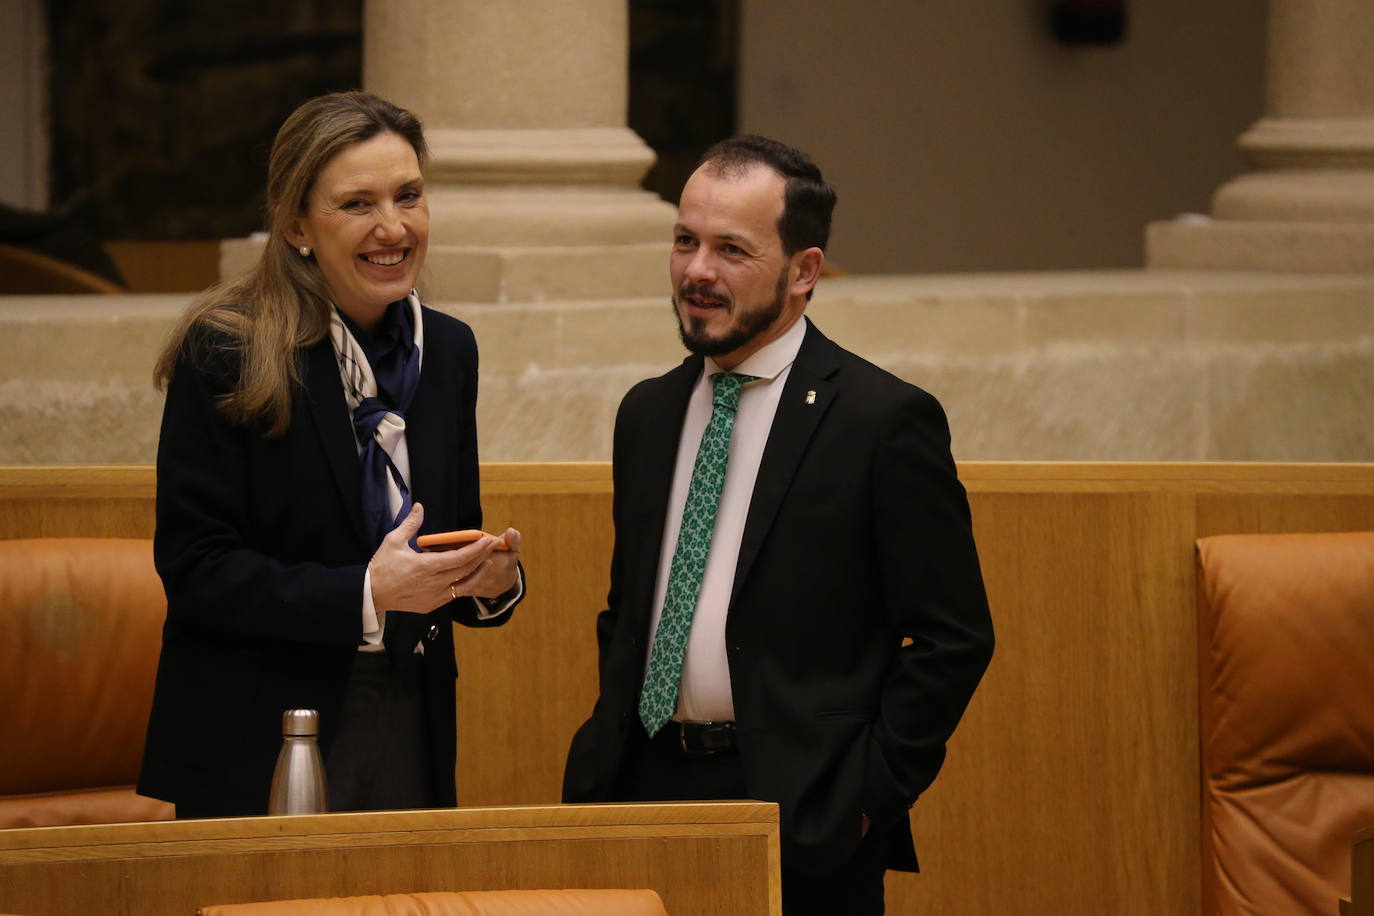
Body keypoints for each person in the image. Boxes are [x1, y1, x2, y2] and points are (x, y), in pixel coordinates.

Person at [562, 135, 993, 915]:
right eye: (685, 240)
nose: (696, 271)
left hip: (804, 815)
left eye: (732, 250)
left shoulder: (881, 421)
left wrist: (865, 795)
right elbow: (630, 609)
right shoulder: (648, 413)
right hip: (639, 794)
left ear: (804, 272)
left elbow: (954, 636)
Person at [138, 91, 524, 819]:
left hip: (411, 713)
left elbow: (440, 539)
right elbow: (198, 571)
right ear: (296, 227)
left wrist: (487, 578)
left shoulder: (449, 351)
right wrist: (365, 593)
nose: (393, 227)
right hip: (262, 729)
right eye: (357, 204)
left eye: (409, 196)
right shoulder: (227, 350)